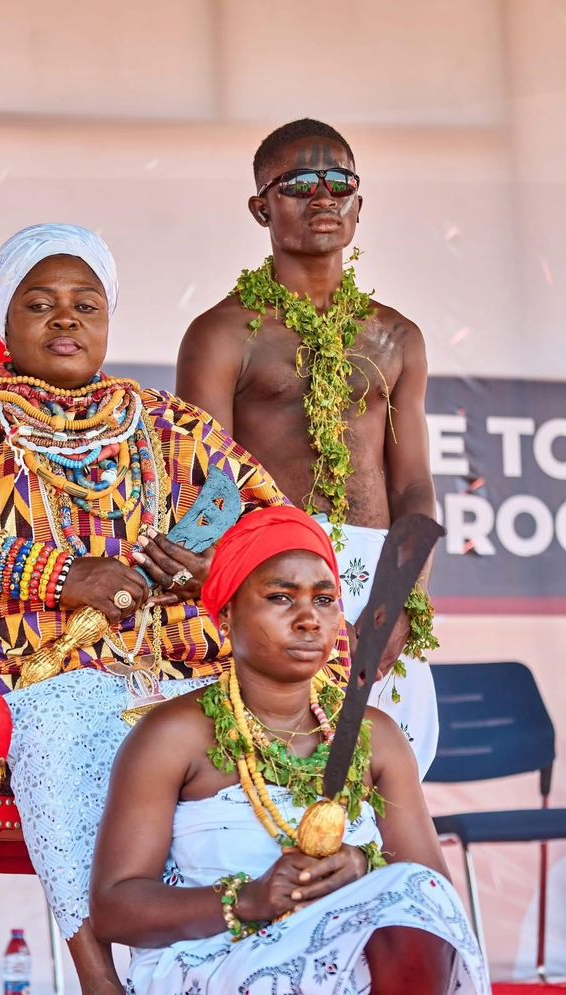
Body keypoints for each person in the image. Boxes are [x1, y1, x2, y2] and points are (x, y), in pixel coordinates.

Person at [0, 223, 294, 995]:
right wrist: (66, 577)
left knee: (241, 729)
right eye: (39, 303)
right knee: (80, 717)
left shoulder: (164, 423)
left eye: (85, 305)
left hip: (164, 668)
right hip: (9, 679)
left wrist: (212, 568)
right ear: (6, 320)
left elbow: (273, 534)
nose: (65, 320)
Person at [91, 507, 554, 995]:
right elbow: (115, 911)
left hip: (345, 979)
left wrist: (363, 872)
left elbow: (433, 895)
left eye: (325, 600)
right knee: (306, 974)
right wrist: (245, 901)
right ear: (225, 614)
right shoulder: (172, 736)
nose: (309, 620)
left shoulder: (375, 735)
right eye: (280, 598)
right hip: (207, 977)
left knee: (416, 900)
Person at [177, 117, 440, 777]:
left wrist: (402, 601)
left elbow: (413, 486)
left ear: (359, 202)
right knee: (278, 781)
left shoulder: (398, 336)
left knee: (382, 787)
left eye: (339, 182)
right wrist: (253, 596)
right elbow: (207, 486)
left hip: (380, 573)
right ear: (261, 206)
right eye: (297, 183)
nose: (322, 197)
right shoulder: (221, 333)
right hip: (273, 576)